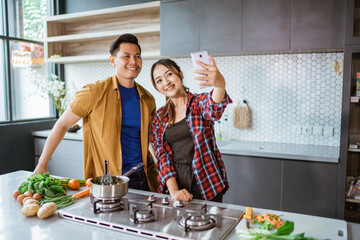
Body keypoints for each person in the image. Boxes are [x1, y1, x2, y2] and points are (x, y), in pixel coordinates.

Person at [35, 34, 159, 192]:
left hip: (143, 178)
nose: (133, 62)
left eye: (137, 56)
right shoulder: (94, 92)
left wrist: (165, 170)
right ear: (113, 60)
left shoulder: (147, 99)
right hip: (106, 182)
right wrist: (42, 165)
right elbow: (62, 124)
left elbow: (150, 139)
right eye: (126, 56)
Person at [150, 57, 231, 202]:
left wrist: (219, 84)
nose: (166, 82)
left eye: (169, 74)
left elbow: (214, 108)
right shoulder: (160, 116)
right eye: (159, 80)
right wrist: (174, 191)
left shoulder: (198, 103)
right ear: (157, 87)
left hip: (207, 181)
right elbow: (162, 155)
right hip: (176, 182)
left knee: (209, 224)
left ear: (180, 74)